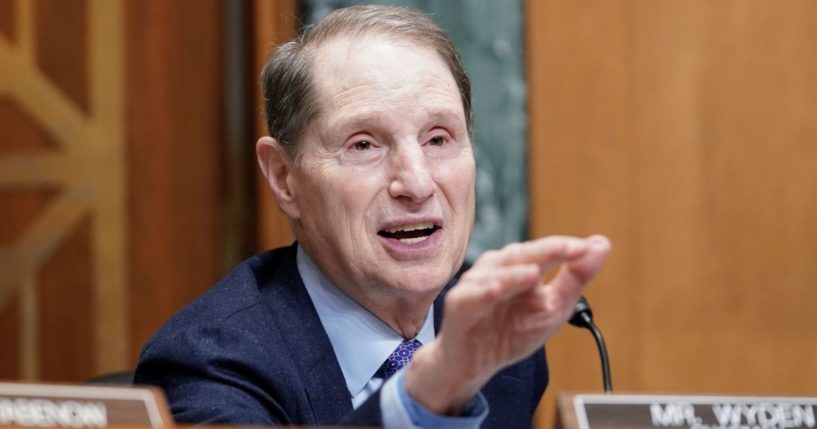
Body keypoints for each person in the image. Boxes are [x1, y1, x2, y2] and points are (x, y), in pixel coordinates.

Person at [134, 5, 611, 428]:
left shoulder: (489, 334)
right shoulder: (213, 362)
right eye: (363, 144)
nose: (418, 183)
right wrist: (425, 397)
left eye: (438, 139)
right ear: (284, 178)